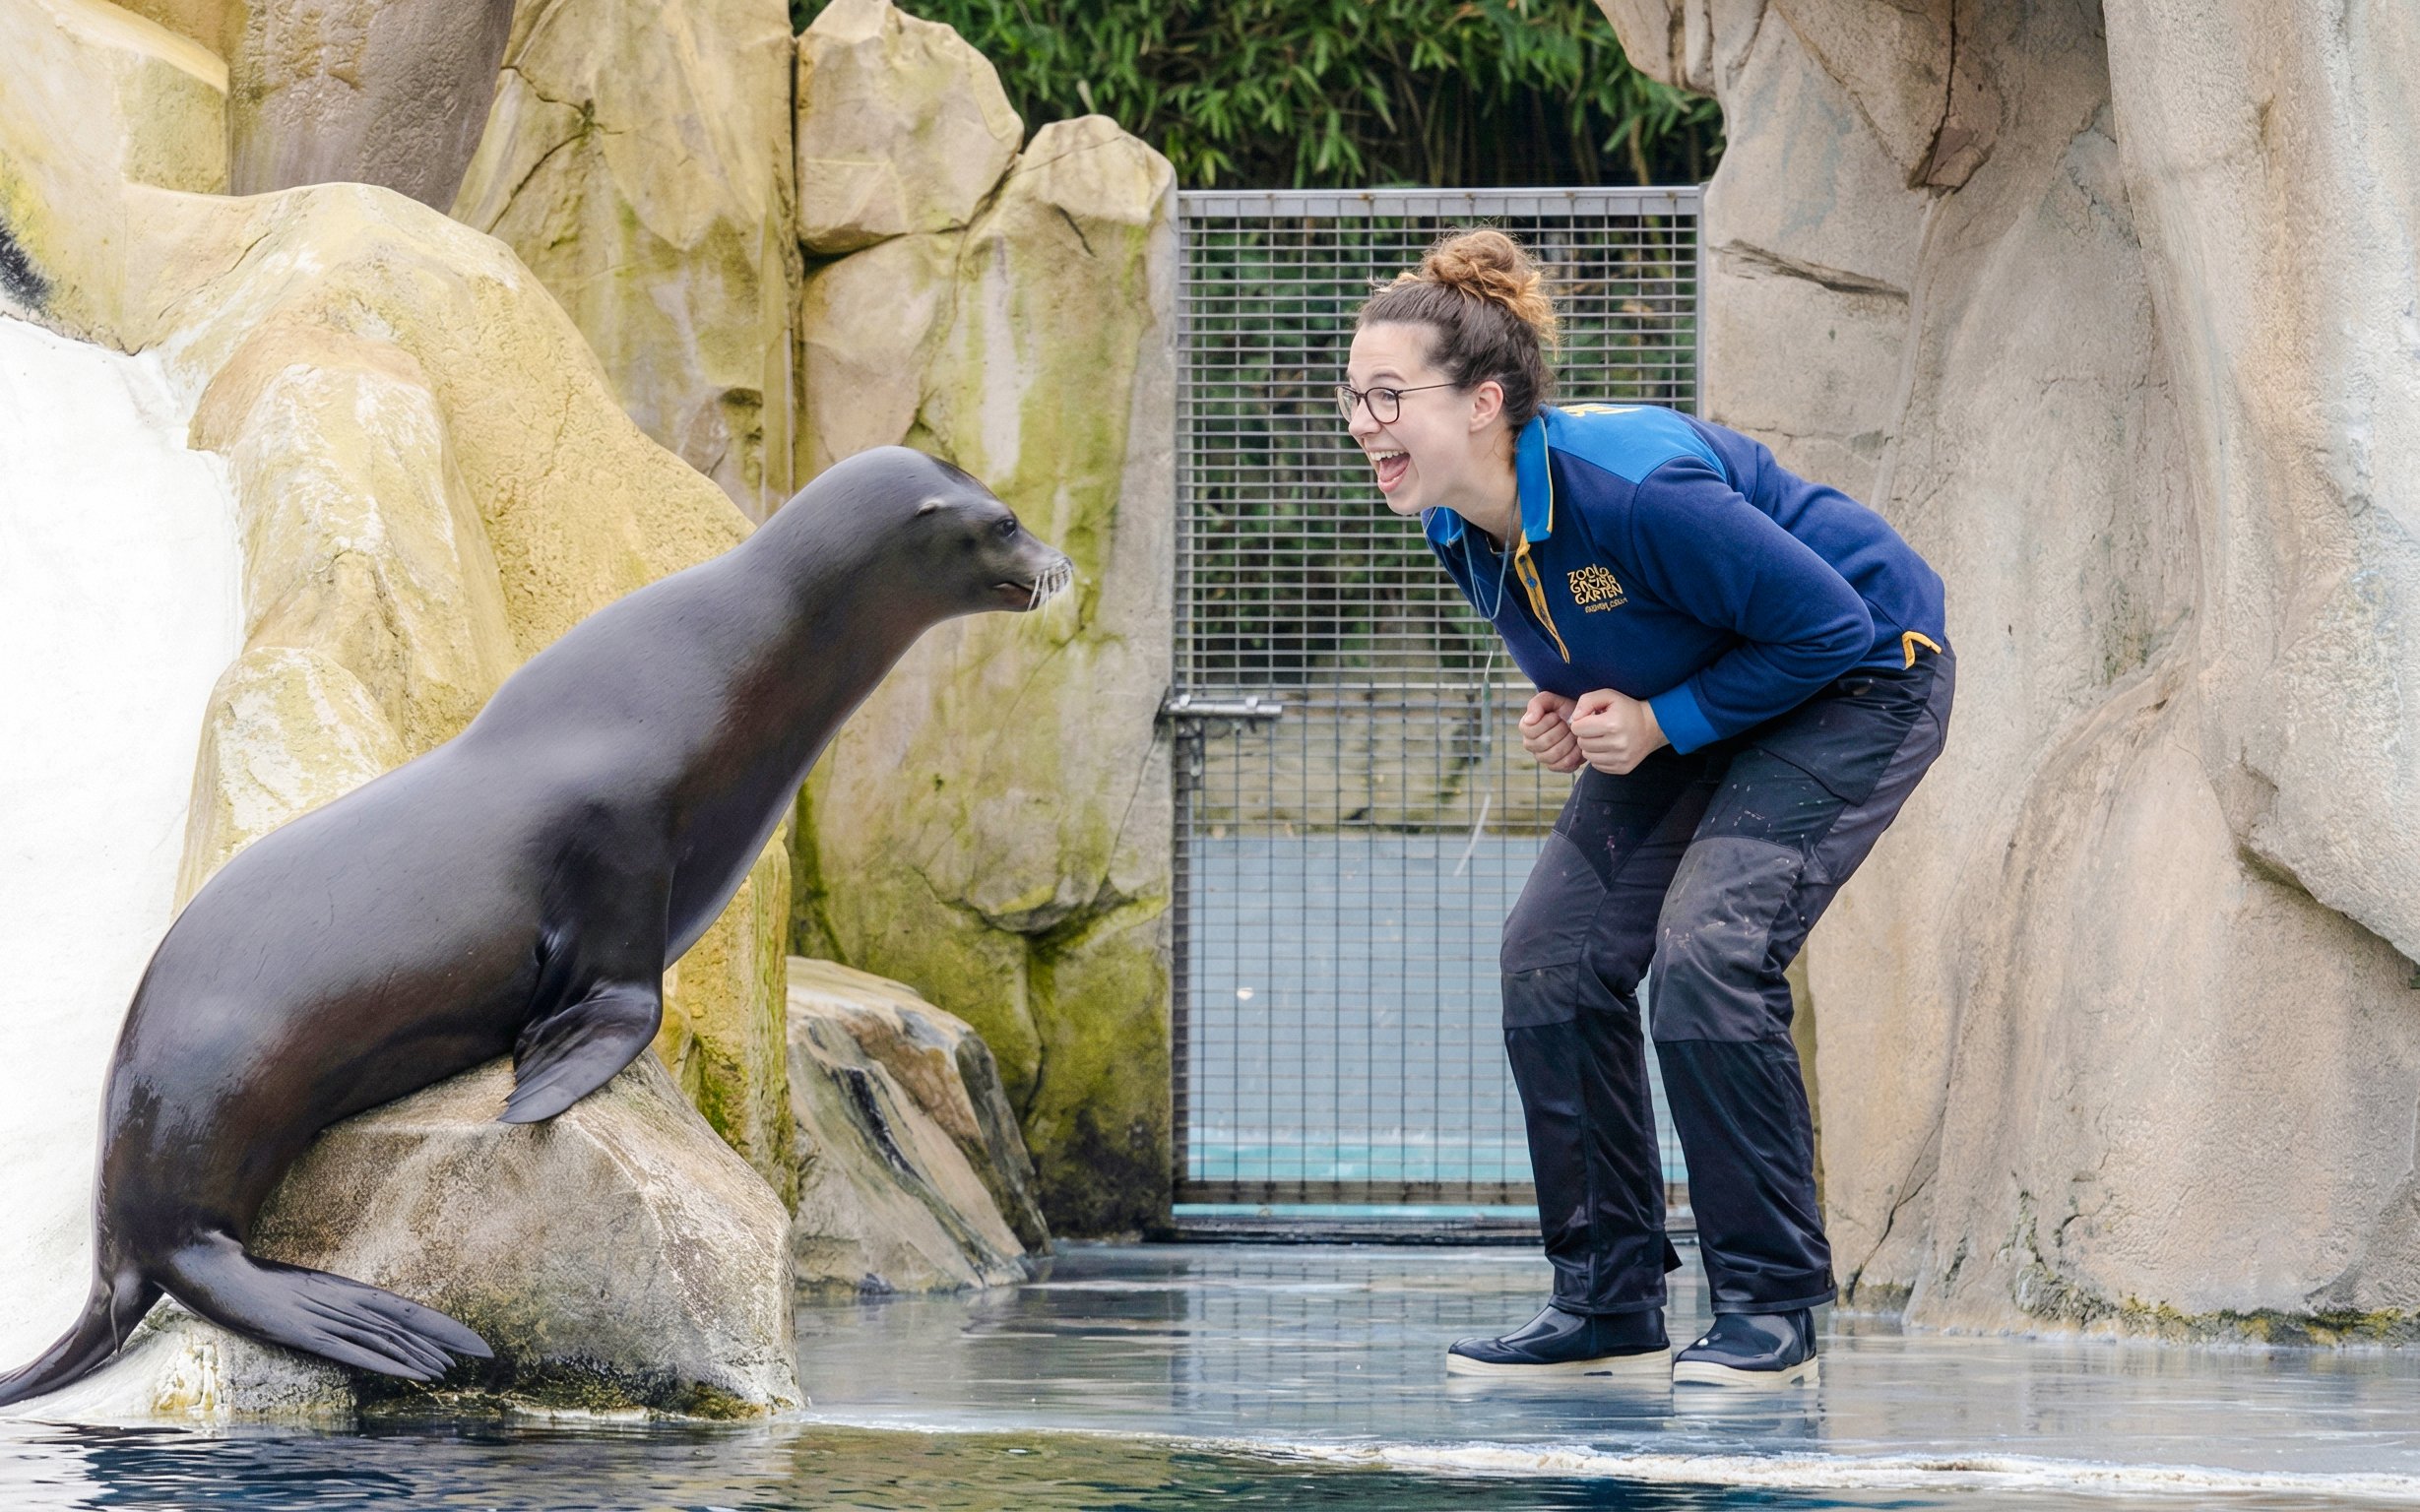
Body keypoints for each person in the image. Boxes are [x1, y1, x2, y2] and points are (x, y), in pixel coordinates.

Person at [1342, 229, 1951, 1386]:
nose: (1361, 421)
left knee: (1708, 952)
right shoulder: (1454, 523)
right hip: (1719, 694)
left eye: (1387, 395)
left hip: (1863, 676)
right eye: (1352, 394)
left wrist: (1665, 724)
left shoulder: (1631, 482)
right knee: (1550, 959)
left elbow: (1827, 626)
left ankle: (1771, 1311)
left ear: (1481, 403)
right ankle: (1606, 1301)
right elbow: (1591, 638)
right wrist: (1565, 711)